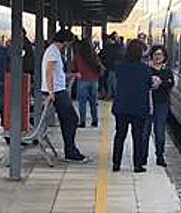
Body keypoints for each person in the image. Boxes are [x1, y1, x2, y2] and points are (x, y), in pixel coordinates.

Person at [42, 28, 87, 162]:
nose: (69, 46)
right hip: (57, 92)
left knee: (68, 120)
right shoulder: (53, 52)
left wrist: (72, 75)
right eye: (69, 43)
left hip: (58, 90)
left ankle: (71, 149)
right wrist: (50, 92)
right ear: (65, 41)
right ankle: (70, 151)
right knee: (72, 119)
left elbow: (56, 74)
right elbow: (49, 72)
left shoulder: (54, 51)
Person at [111, 39, 153, 173]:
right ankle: (137, 165)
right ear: (140, 52)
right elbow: (149, 84)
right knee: (138, 137)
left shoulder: (120, 66)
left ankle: (116, 164)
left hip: (121, 107)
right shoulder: (145, 69)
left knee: (120, 136)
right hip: (139, 108)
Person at [146, 44, 174, 167]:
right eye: (156, 54)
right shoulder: (146, 70)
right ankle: (142, 157)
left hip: (162, 103)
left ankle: (160, 156)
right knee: (145, 132)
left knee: (160, 131)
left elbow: (170, 84)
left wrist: (160, 83)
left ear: (164, 57)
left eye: (160, 55)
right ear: (151, 56)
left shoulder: (167, 71)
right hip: (147, 103)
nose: (158, 57)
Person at [71, 39, 102, 128]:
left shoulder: (78, 56)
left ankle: (82, 122)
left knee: (82, 103)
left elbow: (74, 67)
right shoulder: (94, 55)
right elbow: (99, 66)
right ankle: (94, 121)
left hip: (82, 80)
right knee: (93, 102)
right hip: (94, 80)